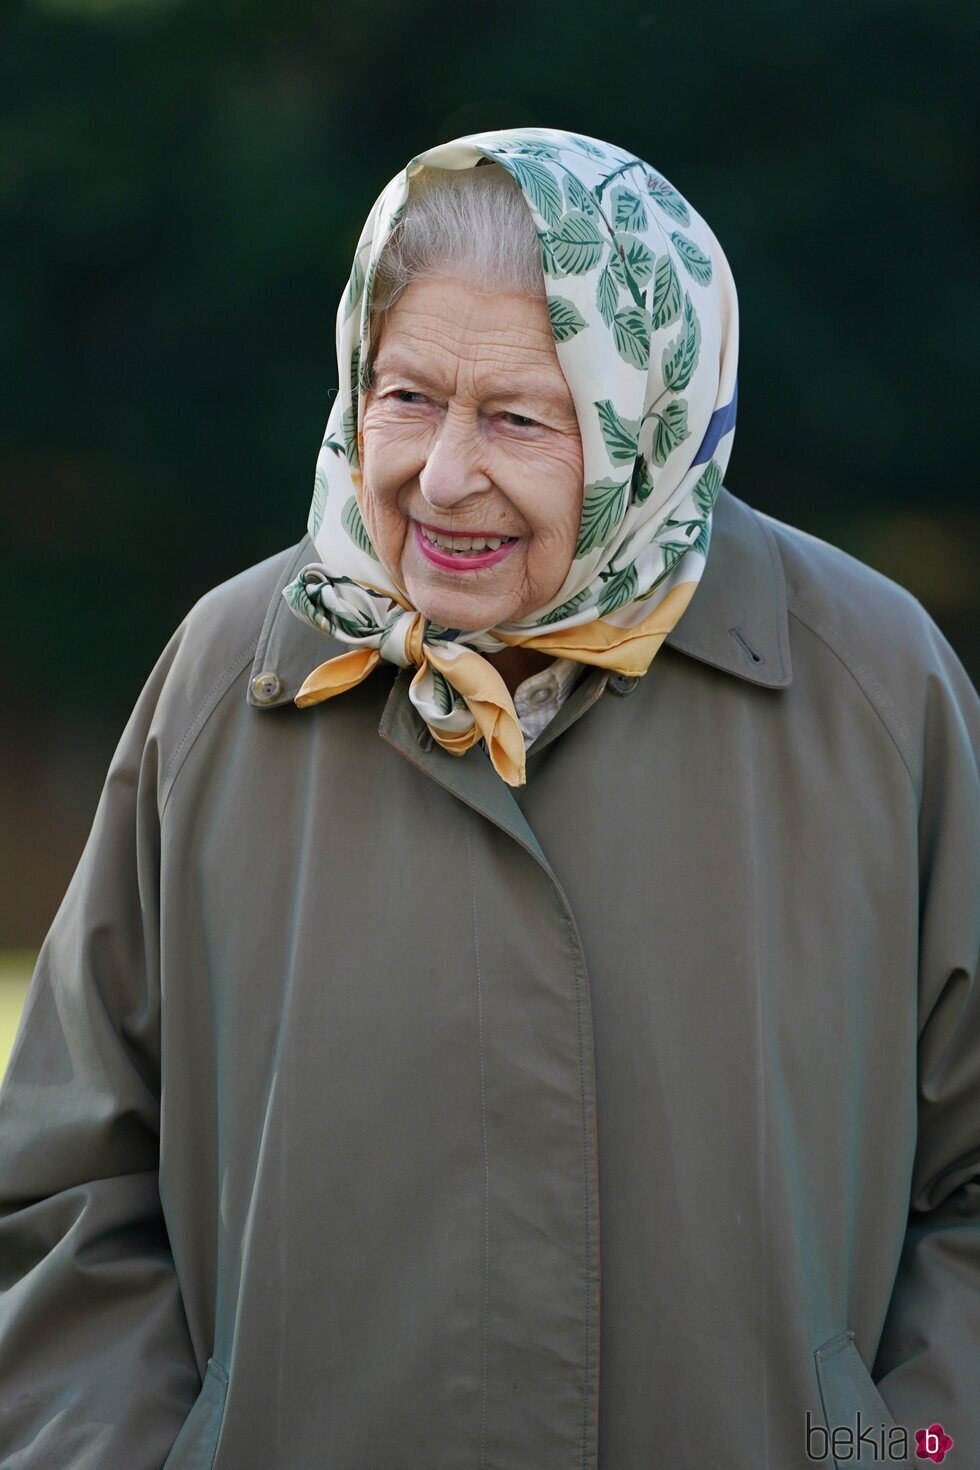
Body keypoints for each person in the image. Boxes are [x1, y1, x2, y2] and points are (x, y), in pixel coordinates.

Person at [0, 127, 976, 1470]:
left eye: (519, 416)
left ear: (651, 411)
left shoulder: (875, 686)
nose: (442, 477)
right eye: (406, 396)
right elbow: (66, 1189)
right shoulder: (233, 677)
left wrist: (900, 1452)